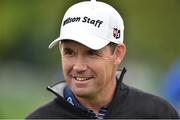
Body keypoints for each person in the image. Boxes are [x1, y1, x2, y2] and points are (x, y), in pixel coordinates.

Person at [26, 0, 179, 119]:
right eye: (69, 52)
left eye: (92, 53)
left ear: (118, 53)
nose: (78, 66)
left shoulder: (158, 114)